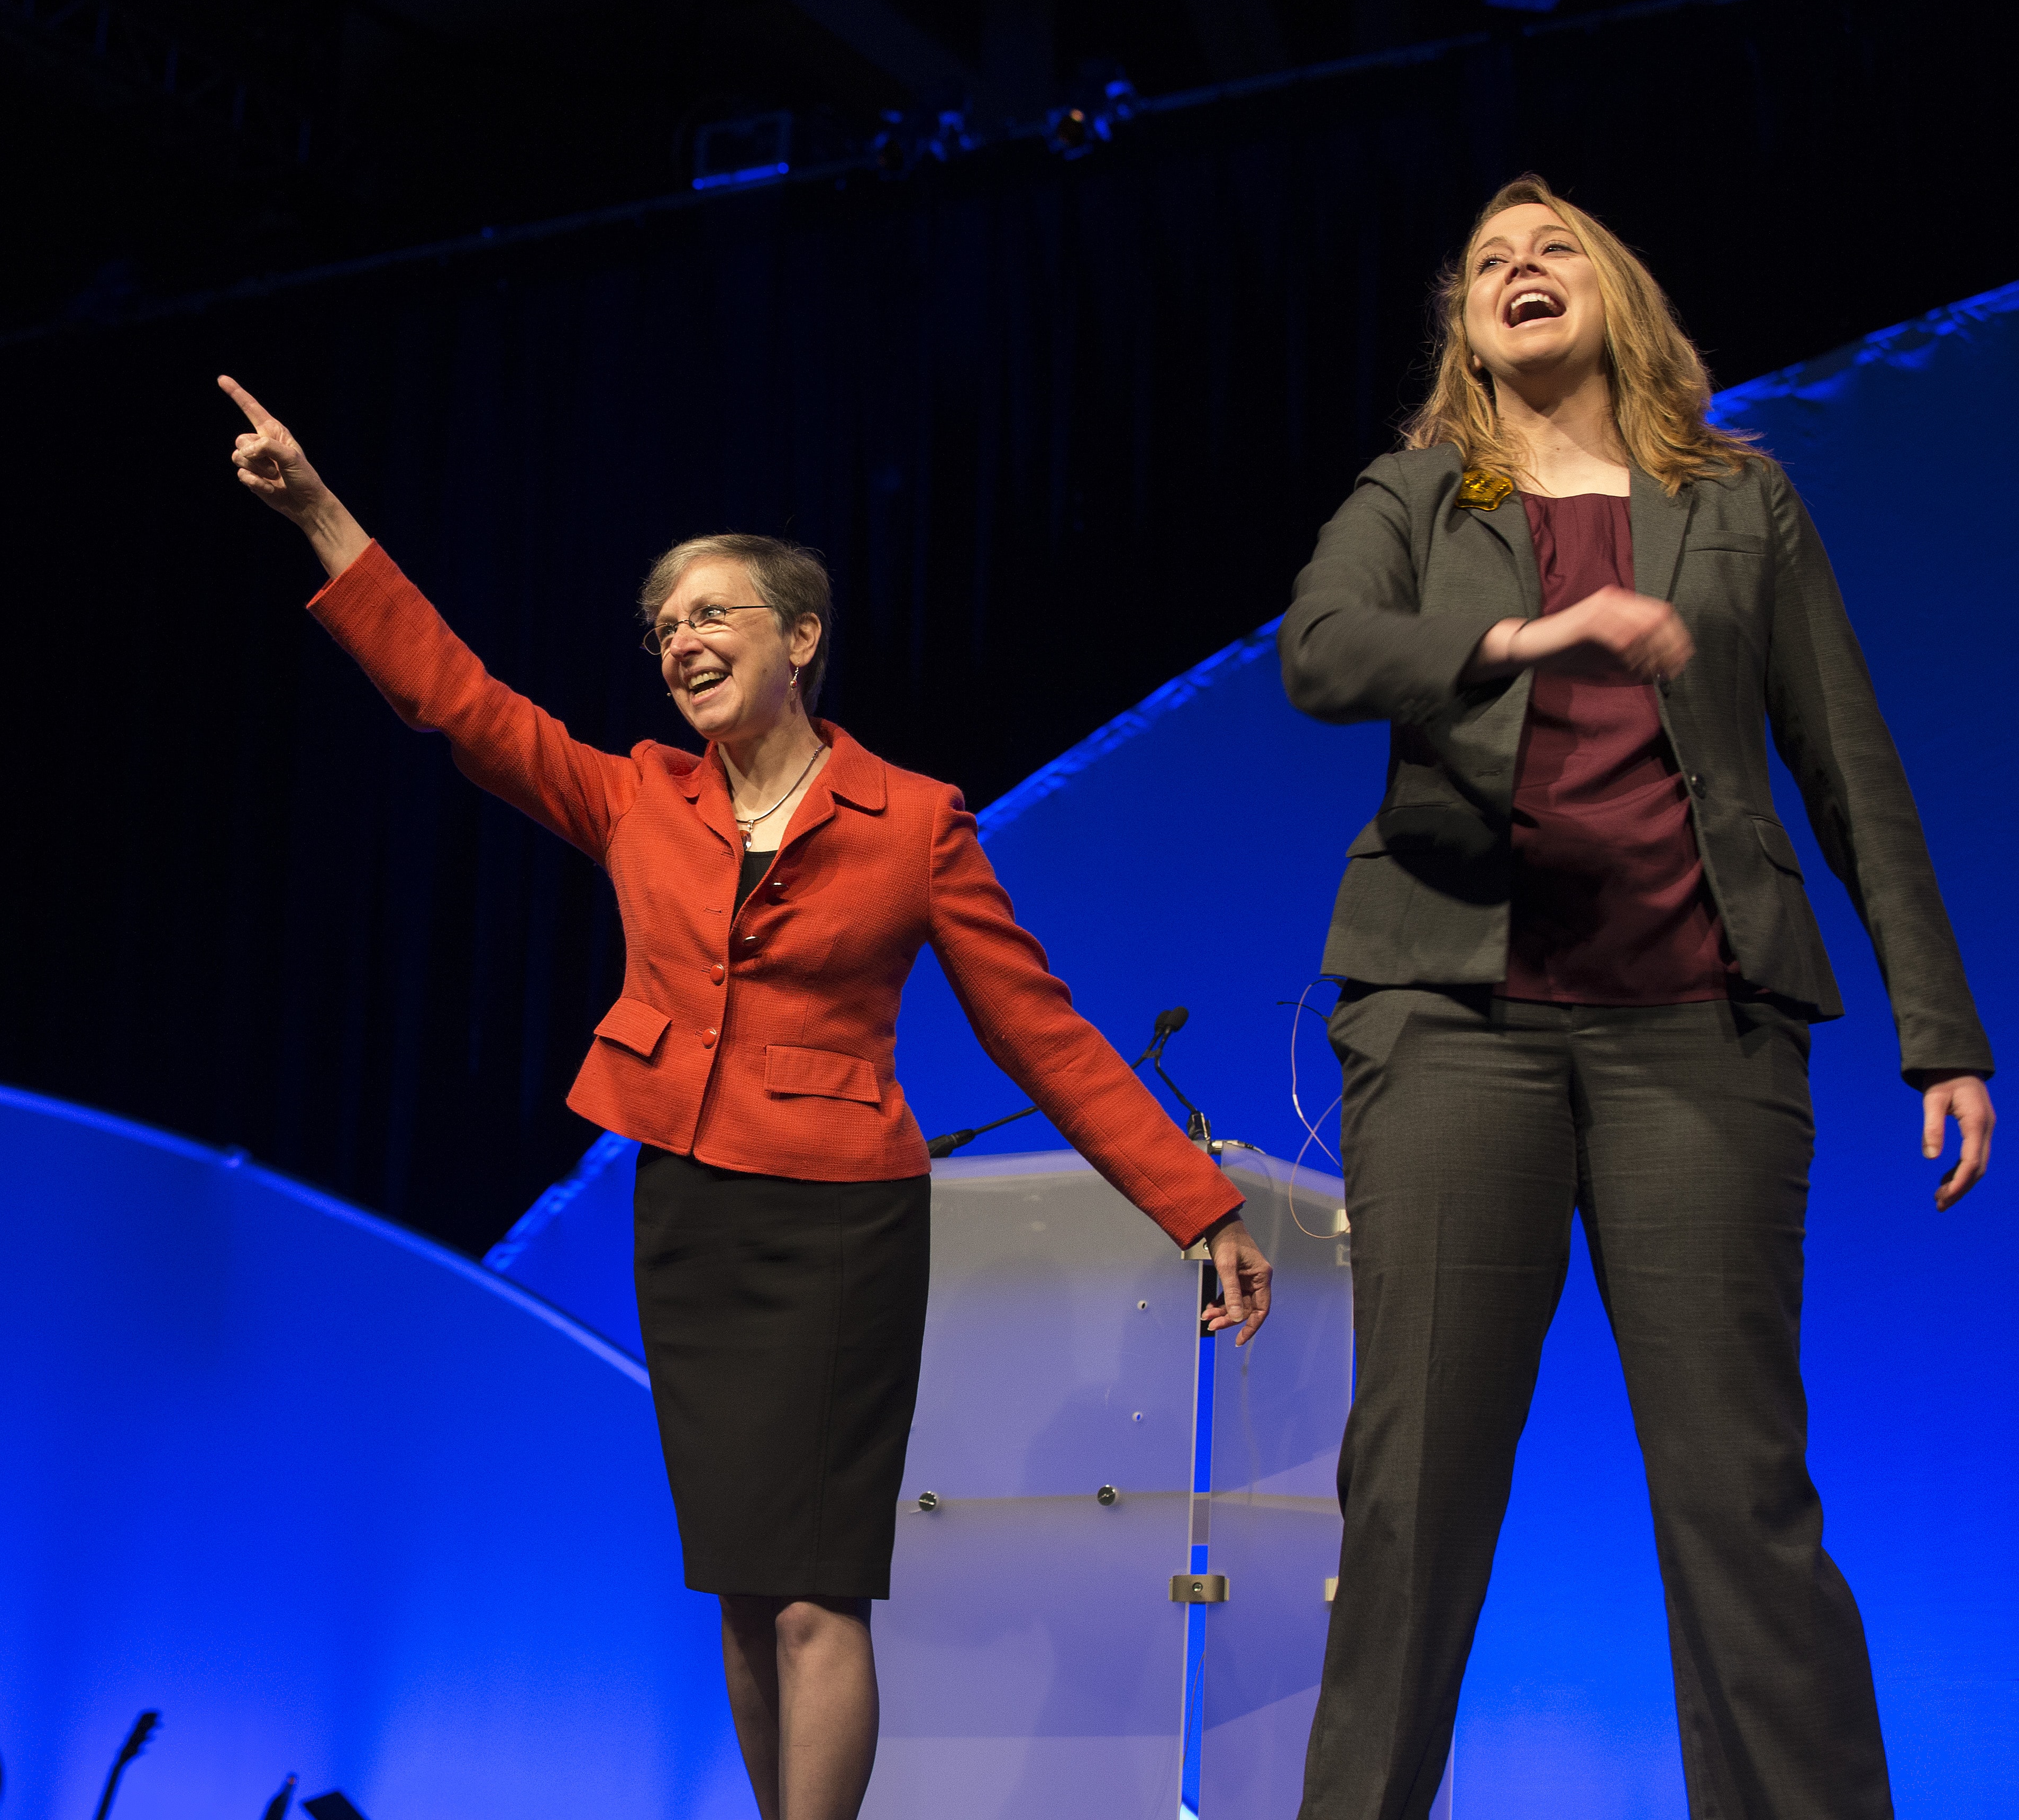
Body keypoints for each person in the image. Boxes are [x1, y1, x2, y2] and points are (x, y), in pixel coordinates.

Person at [219, 376, 1269, 1820]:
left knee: (817, 1591)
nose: (680, 641)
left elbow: (1045, 1035)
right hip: (690, 1211)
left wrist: (1195, 1204)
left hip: (839, 1224)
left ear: (801, 639)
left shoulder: (913, 822)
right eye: (662, 627)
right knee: (739, 1579)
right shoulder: (638, 797)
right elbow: (453, 701)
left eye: (711, 614)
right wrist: (323, 517)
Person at [1280, 176, 1995, 1817]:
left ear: (1620, 300)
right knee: (1413, 1495)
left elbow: (1851, 770)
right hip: (1458, 1030)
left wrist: (1939, 1032)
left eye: (1553, 253)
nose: (1518, 272)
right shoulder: (1417, 493)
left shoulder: (1743, 505)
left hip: (1701, 1031)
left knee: (1740, 1496)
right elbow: (1321, 652)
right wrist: (1530, 637)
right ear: (1462, 327)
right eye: (1485, 265)